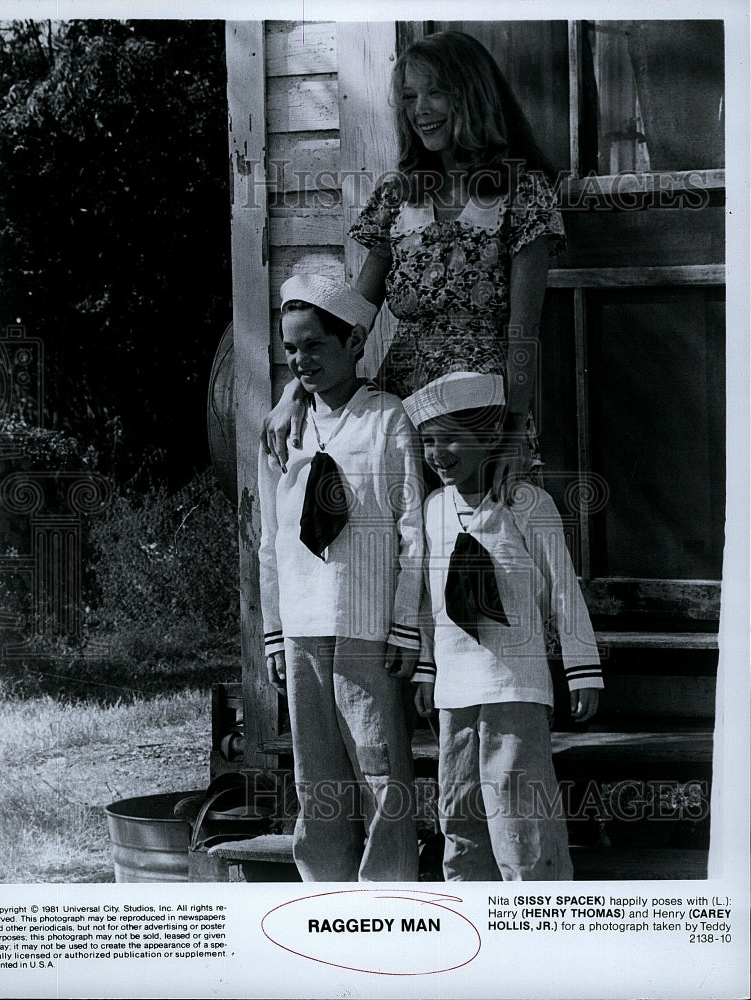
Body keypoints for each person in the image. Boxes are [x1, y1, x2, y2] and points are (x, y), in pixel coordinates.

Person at [263, 30, 565, 501]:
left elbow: (523, 330)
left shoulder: (522, 193)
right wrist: (295, 390)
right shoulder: (398, 195)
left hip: (475, 416)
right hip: (399, 408)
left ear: (471, 95)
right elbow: (354, 315)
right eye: (408, 97)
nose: (420, 109)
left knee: (478, 553)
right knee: (397, 547)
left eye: (436, 92)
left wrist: (512, 434)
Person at [257, 274, 425, 882]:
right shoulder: (281, 428)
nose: (301, 360)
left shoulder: (386, 419)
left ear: (354, 343)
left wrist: (406, 625)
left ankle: (389, 889)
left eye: (314, 346)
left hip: (367, 620)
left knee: (380, 764)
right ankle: (322, 887)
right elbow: (271, 538)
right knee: (316, 771)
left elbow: (413, 529)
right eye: (291, 348)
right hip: (302, 624)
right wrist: (275, 632)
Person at [403, 371, 603, 881]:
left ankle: (538, 920)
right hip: (455, 693)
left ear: (490, 437)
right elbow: (430, 600)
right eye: (428, 440)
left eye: (450, 438)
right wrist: (426, 669)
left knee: (521, 818)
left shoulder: (527, 505)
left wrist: (582, 668)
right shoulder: (433, 509)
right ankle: (472, 921)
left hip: (516, 685)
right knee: (460, 813)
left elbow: (562, 587)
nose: (437, 452)